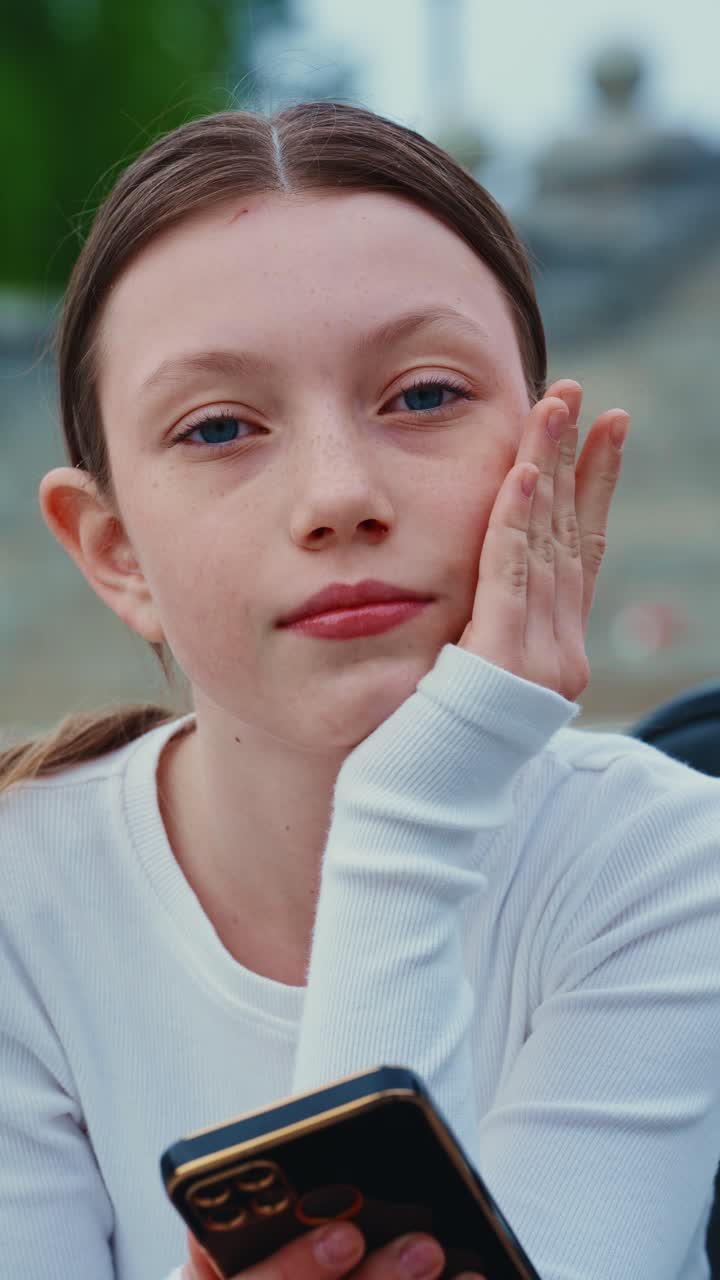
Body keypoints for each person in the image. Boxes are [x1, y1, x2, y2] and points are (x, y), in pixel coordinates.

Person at [1, 101, 718, 1280]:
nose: (340, 494)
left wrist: (408, 799)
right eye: (221, 424)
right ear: (113, 549)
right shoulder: (21, 905)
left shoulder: (670, 861)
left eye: (424, 395)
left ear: (544, 449)